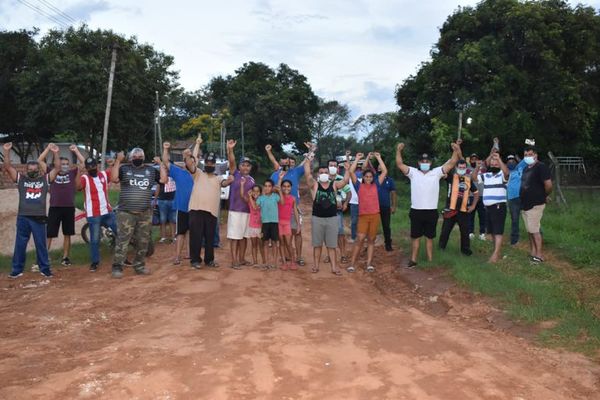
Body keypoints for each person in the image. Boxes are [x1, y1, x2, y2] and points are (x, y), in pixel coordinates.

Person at [396, 141, 462, 268]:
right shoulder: (413, 172)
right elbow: (399, 164)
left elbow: (452, 163)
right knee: (415, 237)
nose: (425, 163)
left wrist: (455, 149)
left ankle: (430, 261)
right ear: (419, 163)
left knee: (430, 237)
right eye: (422, 161)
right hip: (416, 210)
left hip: (431, 211)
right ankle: (413, 260)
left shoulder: (437, 172)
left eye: (427, 161)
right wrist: (398, 150)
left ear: (430, 163)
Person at [4, 142, 61, 278]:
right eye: (30, 169)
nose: (32, 171)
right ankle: (17, 270)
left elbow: (57, 168)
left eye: (35, 169)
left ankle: (45, 269)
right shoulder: (21, 179)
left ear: (39, 170)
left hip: (39, 217)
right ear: (26, 170)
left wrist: (55, 152)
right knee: (20, 245)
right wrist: (6, 151)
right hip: (23, 216)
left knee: (41, 244)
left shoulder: (45, 179)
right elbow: (7, 167)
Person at [110, 148, 159, 278]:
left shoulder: (151, 170)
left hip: (145, 213)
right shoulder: (124, 169)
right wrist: (118, 161)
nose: (137, 158)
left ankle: (139, 266)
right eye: (135, 156)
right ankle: (117, 267)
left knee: (143, 241)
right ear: (131, 158)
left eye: (140, 156)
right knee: (122, 241)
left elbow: (164, 180)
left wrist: (162, 165)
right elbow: (114, 178)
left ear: (144, 157)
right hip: (126, 213)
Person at [37, 144, 85, 266]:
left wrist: (76, 151)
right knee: (50, 233)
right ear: (57, 164)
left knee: (67, 233)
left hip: (69, 208)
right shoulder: (51, 172)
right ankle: (43, 258)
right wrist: (49, 149)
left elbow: (83, 163)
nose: (64, 166)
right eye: (62, 164)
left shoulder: (72, 173)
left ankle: (65, 258)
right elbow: (39, 160)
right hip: (55, 207)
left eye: (66, 164)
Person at [304, 153, 350, 275]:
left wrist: (348, 169)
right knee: (317, 244)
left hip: (332, 219)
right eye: (321, 172)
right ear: (318, 174)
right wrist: (308, 160)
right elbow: (308, 174)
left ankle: (334, 268)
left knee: (332, 245)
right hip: (317, 218)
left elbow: (345, 181)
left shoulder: (334, 184)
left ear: (329, 174)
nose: (324, 174)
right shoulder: (314, 185)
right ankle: (316, 266)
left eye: (326, 172)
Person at [187, 151, 233, 269]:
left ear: (214, 164)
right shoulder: (197, 173)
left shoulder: (218, 178)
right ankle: (195, 260)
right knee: (195, 237)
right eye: (207, 162)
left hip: (211, 212)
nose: (209, 165)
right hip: (196, 210)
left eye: (212, 163)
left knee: (210, 238)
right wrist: (188, 156)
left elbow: (224, 183)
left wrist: (229, 180)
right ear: (204, 163)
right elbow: (190, 164)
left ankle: (209, 260)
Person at [266, 144, 308, 266]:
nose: (285, 163)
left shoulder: (296, 171)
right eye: (283, 162)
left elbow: (307, 163)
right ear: (280, 162)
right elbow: (271, 189)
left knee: (297, 233)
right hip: (279, 208)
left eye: (287, 161)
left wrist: (311, 151)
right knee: (283, 234)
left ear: (290, 162)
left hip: (294, 206)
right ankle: (286, 256)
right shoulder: (275, 174)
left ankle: (299, 257)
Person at [347, 152, 388, 273]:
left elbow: (384, 171)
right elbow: (351, 172)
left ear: (372, 178)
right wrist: (357, 158)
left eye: (370, 177)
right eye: (366, 177)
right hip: (363, 216)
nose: (369, 179)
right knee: (360, 238)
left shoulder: (376, 185)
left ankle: (369, 263)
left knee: (371, 239)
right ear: (363, 177)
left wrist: (379, 158)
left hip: (375, 215)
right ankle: (352, 264)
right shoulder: (358, 186)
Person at [77, 157, 118, 272]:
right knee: (95, 239)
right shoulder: (84, 178)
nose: (92, 168)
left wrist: (115, 163)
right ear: (86, 168)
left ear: (97, 165)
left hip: (107, 211)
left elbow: (115, 178)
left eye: (93, 165)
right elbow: (78, 187)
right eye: (89, 166)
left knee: (120, 232)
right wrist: (78, 171)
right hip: (93, 214)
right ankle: (95, 262)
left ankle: (121, 257)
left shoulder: (104, 175)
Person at [161, 141, 196, 265]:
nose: (190, 162)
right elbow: (165, 161)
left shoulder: (198, 174)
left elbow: (194, 156)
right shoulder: (178, 172)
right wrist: (166, 149)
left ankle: (189, 254)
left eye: (192, 161)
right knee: (181, 232)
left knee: (192, 232)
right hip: (182, 208)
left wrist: (196, 146)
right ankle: (177, 256)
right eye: (188, 160)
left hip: (195, 208)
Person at [439, 159, 479, 256]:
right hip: (450, 209)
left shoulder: (468, 180)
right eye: (460, 167)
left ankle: (465, 250)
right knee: (445, 230)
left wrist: (473, 206)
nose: (462, 169)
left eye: (463, 168)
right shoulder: (450, 177)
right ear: (456, 168)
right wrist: (451, 159)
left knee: (465, 232)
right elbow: (442, 170)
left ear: (466, 168)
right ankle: (441, 248)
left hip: (463, 211)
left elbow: (476, 193)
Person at [520, 146, 552, 263]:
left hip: (536, 204)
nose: (528, 157)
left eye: (530, 154)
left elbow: (548, 185)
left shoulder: (541, 167)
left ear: (535, 155)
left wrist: (544, 196)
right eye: (526, 155)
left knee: (534, 230)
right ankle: (533, 251)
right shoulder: (526, 169)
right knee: (529, 229)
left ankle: (538, 256)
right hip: (525, 204)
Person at [475, 151, 509, 263]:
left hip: (498, 207)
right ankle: (496, 252)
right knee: (493, 232)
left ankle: (495, 255)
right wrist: (477, 167)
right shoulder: (486, 175)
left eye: (496, 163)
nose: (494, 165)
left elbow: (507, 172)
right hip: (488, 208)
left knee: (498, 231)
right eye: (493, 163)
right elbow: (474, 178)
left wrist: (499, 159)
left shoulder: (502, 175)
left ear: (499, 164)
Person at [226, 139, 255, 269]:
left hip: (247, 211)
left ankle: (242, 259)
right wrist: (230, 149)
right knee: (234, 237)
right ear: (239, 166)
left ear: (251, 167)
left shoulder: (252, 180)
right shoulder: (235, 174)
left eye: (248, 165)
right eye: (243, 164)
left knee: (244, 237)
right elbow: (231, 161)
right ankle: (234, 261)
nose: (245, 167)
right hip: (235, 211)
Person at [365, 153, 397, 251]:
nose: (380, 167)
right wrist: (368, 158)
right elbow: (365, 167)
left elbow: (393, 193)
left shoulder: (390, 180)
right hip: (373, 206)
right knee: (371, 226)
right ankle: (369, 245)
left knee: (386, 226)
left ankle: (388, 244)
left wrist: (393, 206)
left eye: (381, 166)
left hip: (385, 206)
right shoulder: (373, 178)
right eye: (378, 166)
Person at [325, 158, 352, 263]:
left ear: (337, 168)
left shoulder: (341, 179)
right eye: (330, 165)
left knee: (340, 232)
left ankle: (343, 255)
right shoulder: (322, 179)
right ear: (327, 167)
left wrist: (345, 203)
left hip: (338, 211)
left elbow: (349, 193)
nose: (332, 167)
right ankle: (329, 255)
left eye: (334, 166)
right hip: (326, 211)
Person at [252, 179, 282, 269]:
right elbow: (255, 207)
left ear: (272, 188)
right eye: (265, 186)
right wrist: (251, 197)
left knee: (274, 243)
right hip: (265, 223)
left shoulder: (275, 196)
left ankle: (274, 263)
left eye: (269, 186)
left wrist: (280, 191)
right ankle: (266, 263)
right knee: (265, 243)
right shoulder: (261, 198)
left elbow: (282, 202)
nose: (267, 188)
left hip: (274, 222)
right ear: (263, 187)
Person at [241, 179, 266, 266]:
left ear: (261, 192)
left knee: (261, 245)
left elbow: (255, 207)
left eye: (258, 191)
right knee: (254, 245)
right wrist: (242, 185)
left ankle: (264, 262)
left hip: (260, 227)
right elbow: (242, 195)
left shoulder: (262, 200)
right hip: (252, 226)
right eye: (254, 191)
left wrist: (250, 197)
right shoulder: (250, 200)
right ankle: (255, 262)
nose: (255, 193)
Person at [277, 178, 300, 270]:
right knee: (281, 243)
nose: (286, 188)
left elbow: (295, 212)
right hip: (278, 223)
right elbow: (277, 188)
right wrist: (280, 179)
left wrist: (298, 225)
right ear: (281, 188)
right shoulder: (278, 197)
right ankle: (284, 262)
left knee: (288, 243)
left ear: (291, 187)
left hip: (287, 223)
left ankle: (293, 261)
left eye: (288, 186)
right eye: (284, 186)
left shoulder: (293, 198)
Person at [506, 154, 527, 245]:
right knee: (515, 220)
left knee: (530, 217)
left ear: (516, 161)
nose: (511, 162)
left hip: (524, 197)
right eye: (509, 161)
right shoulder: (506, 171)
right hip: (512, 199)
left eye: (513, 160)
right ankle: (514, 241)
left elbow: (527, 157)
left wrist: (530, 142)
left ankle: (538, 235)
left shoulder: (520, 167)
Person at [156, 161, 177, 244]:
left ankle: (173, 237)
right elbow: (158, 186)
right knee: (162, 219)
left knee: (173, 219)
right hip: (162, 200)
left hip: (173, 199)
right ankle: (163, 237)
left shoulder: (174, 175)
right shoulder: (161, 175)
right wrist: (155, 199)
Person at [468, 153, 487, 241]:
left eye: (476, 159)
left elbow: (490, 156)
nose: (474, 160)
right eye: (472, 159)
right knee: (470, 215)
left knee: (482, 215)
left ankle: (482, 233)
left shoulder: (483, 168)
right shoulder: (467, 169)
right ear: (470, 160)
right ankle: (470, 232)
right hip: (471, 195)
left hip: (482, 195)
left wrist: (495, 144)